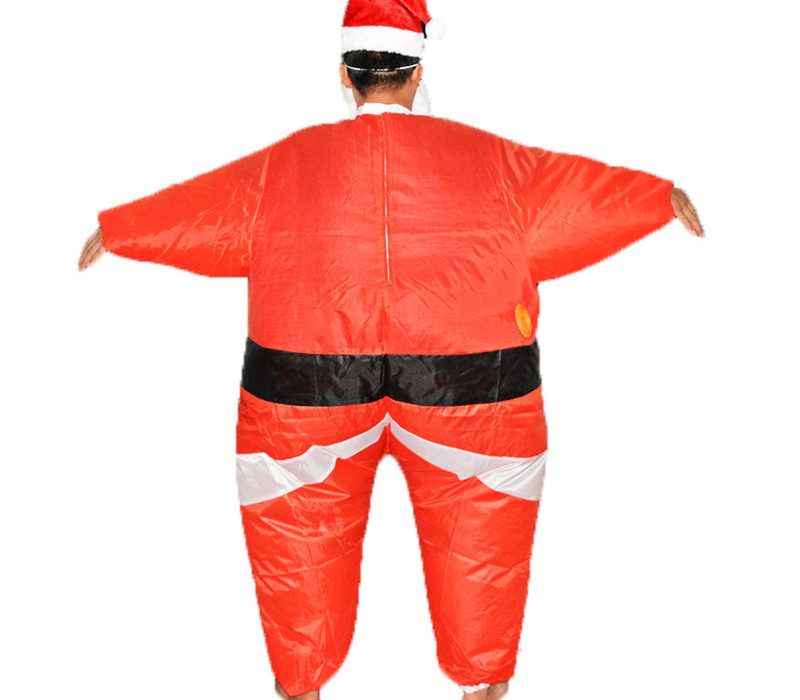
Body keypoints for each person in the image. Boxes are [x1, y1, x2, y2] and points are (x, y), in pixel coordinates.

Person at [78, 1, 704, 698]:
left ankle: (302, 685)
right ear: (417, 73)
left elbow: (204, 213)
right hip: (474, 392)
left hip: (304, 392)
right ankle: (482, 683)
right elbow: (577, 200)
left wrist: (122, 230)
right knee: (482, 566)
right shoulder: (496, 163)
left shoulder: (283, 166)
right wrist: (656, 198)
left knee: (298, 559)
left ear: (345, 74)